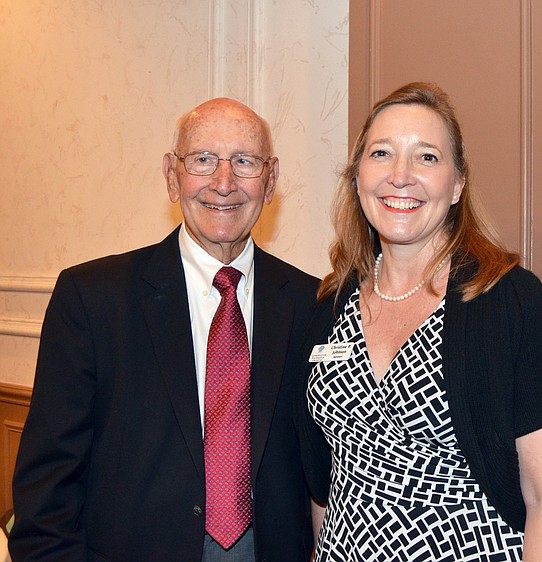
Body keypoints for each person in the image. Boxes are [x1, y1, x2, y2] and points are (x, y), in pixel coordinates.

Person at [10, 98, 318, 561]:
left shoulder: (313, 303)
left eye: (244, 161)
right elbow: (46, 488)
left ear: (270, 180)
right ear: (172, 177)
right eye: (203, 160)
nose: (223, 182)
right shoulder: (92, 299)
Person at [296, 82, 542, 561]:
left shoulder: (512, 303)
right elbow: (324, 487)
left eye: (427, 157)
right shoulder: (327, 308)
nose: (401, 176)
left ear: (457, 185)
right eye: (382, 153)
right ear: (356, 177)